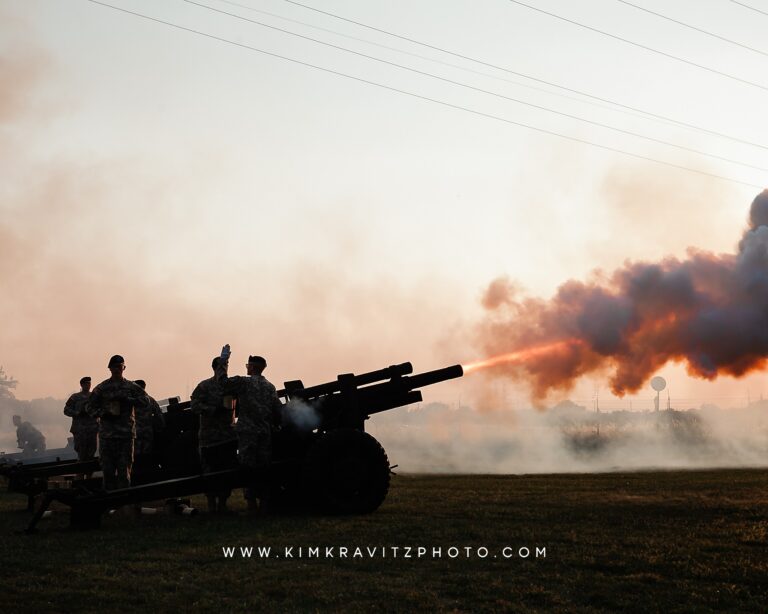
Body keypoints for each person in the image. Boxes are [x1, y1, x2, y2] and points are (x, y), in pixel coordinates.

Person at [216, 347, 282, 514]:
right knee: (264, 469)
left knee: (247, 469)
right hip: (264, 433)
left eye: (248, 365)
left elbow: (222, 383)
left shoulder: (244, 382)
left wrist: (224, 361)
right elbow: (277, 409)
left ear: (251, 368)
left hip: (247, 433)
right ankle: (265, 505)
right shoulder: (270, 387)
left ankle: (252, 505)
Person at [87, 355, 147, 490]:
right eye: (115, 367)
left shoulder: (131, 387)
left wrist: (128, 399)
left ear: (124, 368)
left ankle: (123, 507)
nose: (117, 370)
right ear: (110, 369)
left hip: (125, 437)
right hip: (107, 437)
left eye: (120, 367)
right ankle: (109, 506)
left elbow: (145, 401)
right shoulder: (102, 388)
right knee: (107, 473)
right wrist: (103, 413)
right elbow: (89, 407)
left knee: (124, 473)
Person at [191, 356, 237, 513]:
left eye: (226, 365)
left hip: (227, 436)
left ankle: (223, 503)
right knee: (209, 472)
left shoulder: (231, 386)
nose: (225, 368)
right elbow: (195, 405)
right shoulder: (204, 386)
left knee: (227, 471)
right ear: (215, 368)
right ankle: (211, 504)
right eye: (222, 365)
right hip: (209, 437)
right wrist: (212, 409)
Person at [132, 379, 165, 484]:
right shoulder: (150, 400)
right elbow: (159, 416)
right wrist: (159, 428)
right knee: (146, 456)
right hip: (147, 432)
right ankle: (147, 480)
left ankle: (137, 480)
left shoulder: (132, 401)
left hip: (135, 433)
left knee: (135, 457)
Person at [63, 376, 98, 465]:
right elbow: (66, 410)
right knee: (81, 454)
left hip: (92, 429)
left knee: (91, 453)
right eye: (86, 384)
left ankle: (88, 476)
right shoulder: (75, 397)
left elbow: (99, 409)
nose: (88, 385)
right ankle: (81, 475)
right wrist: (77, 413)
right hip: (80, 430)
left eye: (89, 383)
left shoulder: (94, 396)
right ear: (81, 385)